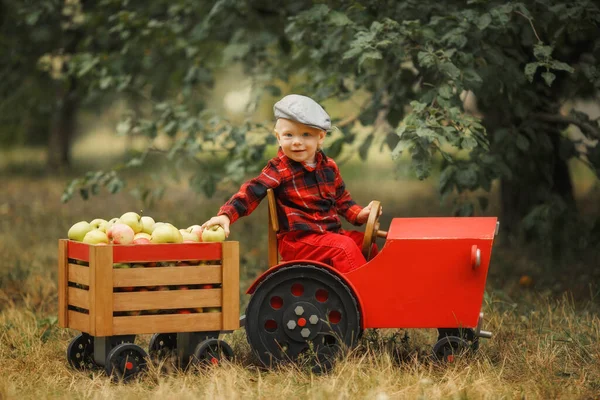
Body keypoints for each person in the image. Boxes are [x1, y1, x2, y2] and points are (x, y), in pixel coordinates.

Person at [202, 94, 381, 272]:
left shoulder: (329, 167)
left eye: (306, 134)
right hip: (300, 242)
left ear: (320, 137)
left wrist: (360, 214)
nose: (297, 142)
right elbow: (251, 192)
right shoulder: (278, 169)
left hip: (329, 236)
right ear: (278, 137)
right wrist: (226, 215)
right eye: (289, 135)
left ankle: (373, 288)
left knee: (365, 243)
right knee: (344, 248)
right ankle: (361, 296)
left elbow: (342, 200)